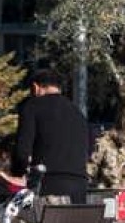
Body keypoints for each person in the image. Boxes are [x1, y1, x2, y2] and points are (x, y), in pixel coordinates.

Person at [8, 67, 92, 203]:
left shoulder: (32, 107)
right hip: (79, 187)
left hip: (48, 185)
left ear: (35, 88)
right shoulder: (78, 114)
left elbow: (21, 153)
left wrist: (18, 174)